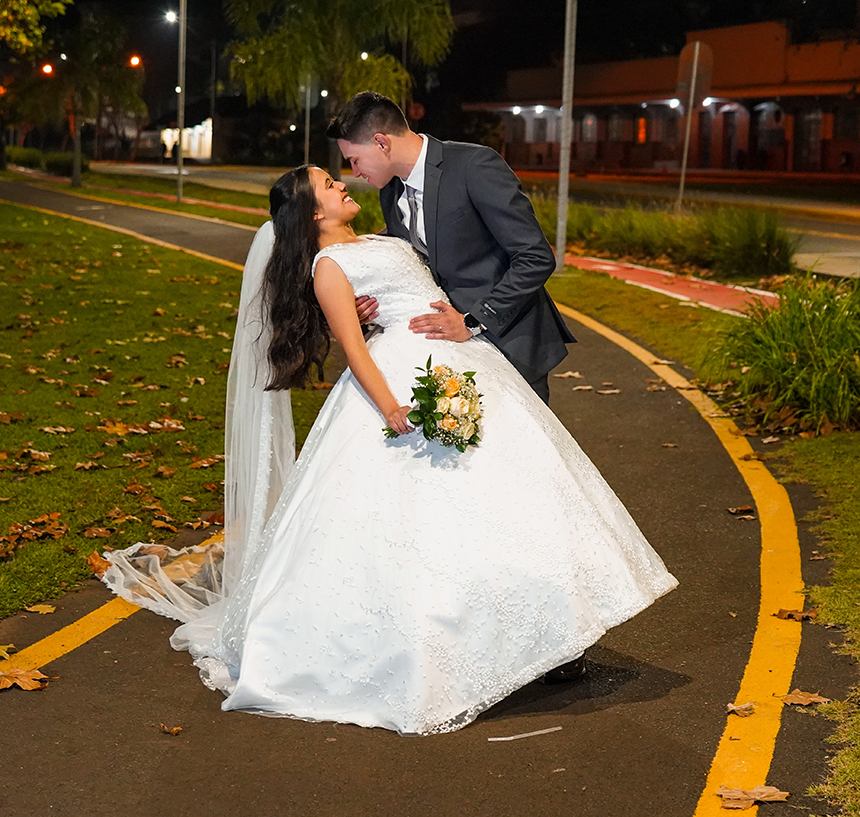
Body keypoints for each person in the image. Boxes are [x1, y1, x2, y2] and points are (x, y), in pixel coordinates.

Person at [97, 166, 677, 736]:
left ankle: (546, 632)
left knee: (513, 495)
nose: (342, 184)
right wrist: (392, 406)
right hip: (400, 378)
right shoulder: (328, 266)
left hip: (466, 362)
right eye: (329, 184)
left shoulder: (384, 238)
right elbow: (354, 348)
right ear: (313, 212)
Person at [327, 91, 576, 406]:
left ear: (381, 142)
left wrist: (473, 321)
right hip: (452, 350)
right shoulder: (390, 189)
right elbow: (415, 253)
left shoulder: (473, 165)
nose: (356, 172)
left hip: (509, 339)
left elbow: (535, 257)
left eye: (355, 160)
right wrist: (369, 301)